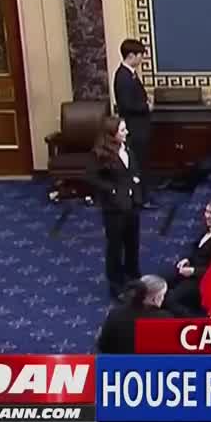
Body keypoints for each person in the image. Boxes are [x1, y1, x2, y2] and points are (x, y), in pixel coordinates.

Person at [84, 116, 142, 299]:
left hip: (131, 205)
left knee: (132, 243)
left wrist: (135, 186)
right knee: (115, 247)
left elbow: (133, 170)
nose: (127, 133)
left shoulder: (127, 149)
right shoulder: (100, 154)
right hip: (114, 209)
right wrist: (114, 190)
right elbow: (92, 178)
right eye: (122, 130)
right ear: (112, 134)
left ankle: (133, 276)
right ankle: (116, 284)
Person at [164, 198, 211, 316]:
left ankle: (196, 322)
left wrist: (193, 271)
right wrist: (187, 260)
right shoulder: (206, 230)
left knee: (171, 300)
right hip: (191, 271)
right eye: (206, 212)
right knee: (161, 283)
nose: (207, 216)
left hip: (203, 279)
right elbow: (197, 252)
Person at [113, 39, 154, 206]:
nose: (142, 59)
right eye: (140, 55)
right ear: (131, 56)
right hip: (134, 128)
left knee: (141, 162)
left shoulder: (130, 73)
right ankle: (140, 199)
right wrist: (146, 107)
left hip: (140, 127)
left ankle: (142, 196)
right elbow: (126, 105)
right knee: (138, 163)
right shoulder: (123, 76)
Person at [96, 275, 172, 353]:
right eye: (163, 295)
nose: (163, 298)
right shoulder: (165, 318)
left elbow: (103, 346)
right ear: (155, 299)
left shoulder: (115, 313)